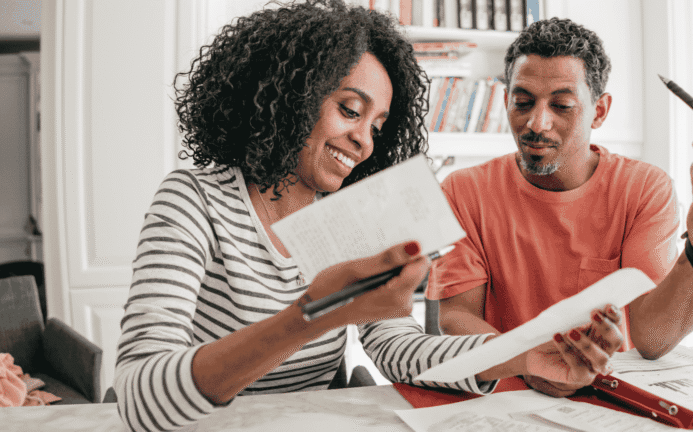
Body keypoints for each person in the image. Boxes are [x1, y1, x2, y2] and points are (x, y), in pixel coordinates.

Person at [114, 3, 622, 431]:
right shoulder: (194, 201)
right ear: (288, 95)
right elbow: (138, 393)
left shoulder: (352, 218)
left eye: (378, 126)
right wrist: (313, 315)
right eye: (350, 110)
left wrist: (523, 355)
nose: (364, 141)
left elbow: (399, 348)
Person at [428, 17, 693, 398]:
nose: (537, 123)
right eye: (522, 102)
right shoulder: (463, 189)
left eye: (562, 105)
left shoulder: (643, 188)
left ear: (600, 111)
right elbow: (457, 315)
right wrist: (526, 362)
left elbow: (652, 339)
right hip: (503, 395)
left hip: (607, 396)